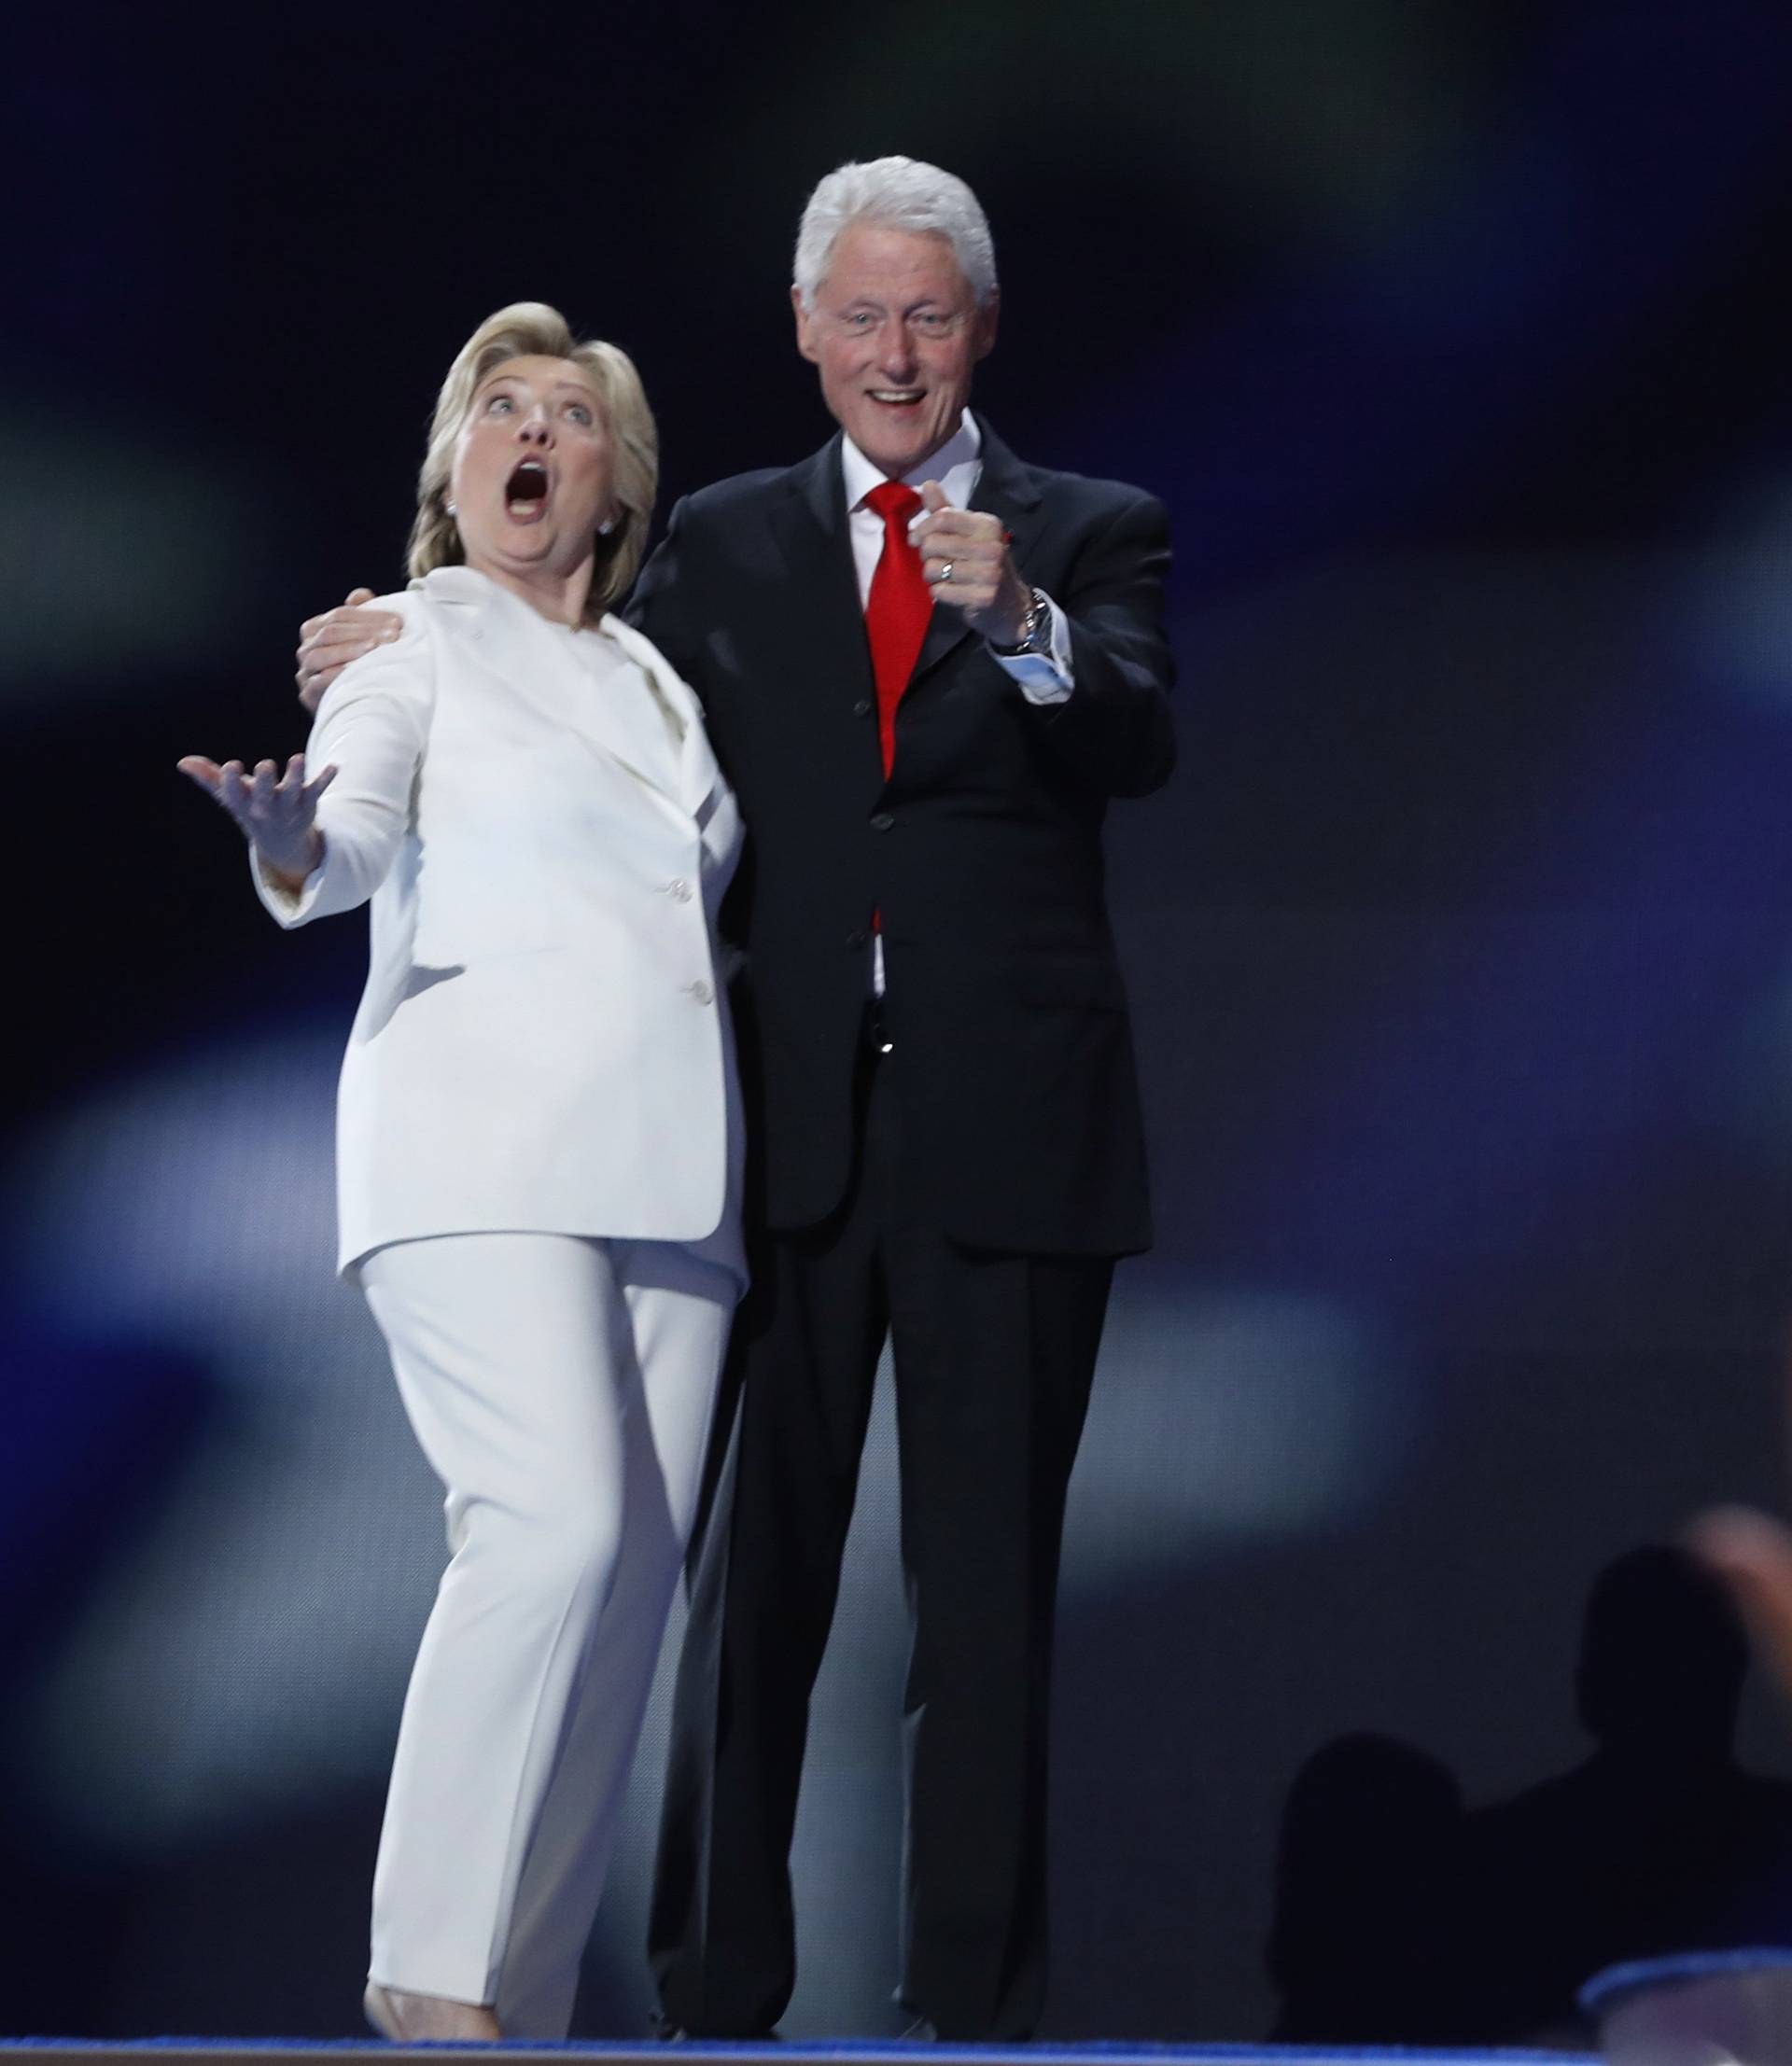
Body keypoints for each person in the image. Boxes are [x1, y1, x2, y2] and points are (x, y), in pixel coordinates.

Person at [296, 156, 1177, 2042]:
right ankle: (713, 1996)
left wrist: (1018, 620)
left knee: (983, 1598)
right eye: (859, 313)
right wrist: (400, 635)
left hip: (1009, 1137)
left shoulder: (1089, 529)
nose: (894, 349)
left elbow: (1135, 733)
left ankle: (972, 2006)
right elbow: (557, 680)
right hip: (758, 1142)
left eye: (928, 314)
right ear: (803, 330)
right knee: (733, 1588)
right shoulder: (720, 537)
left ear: (983, 329)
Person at [186, 303, 745, 2043]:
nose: (529, 430)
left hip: (673, 1178)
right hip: (482, 1148)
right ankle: (430, 1974)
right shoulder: (408, 639)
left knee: (627, 1598)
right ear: (456, 469)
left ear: (610, 486)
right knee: (546, 1525)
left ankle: (518, 1993)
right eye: (498, 407)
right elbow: (349, 831)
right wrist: (294, 837)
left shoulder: (659, 684)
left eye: (566, 414)